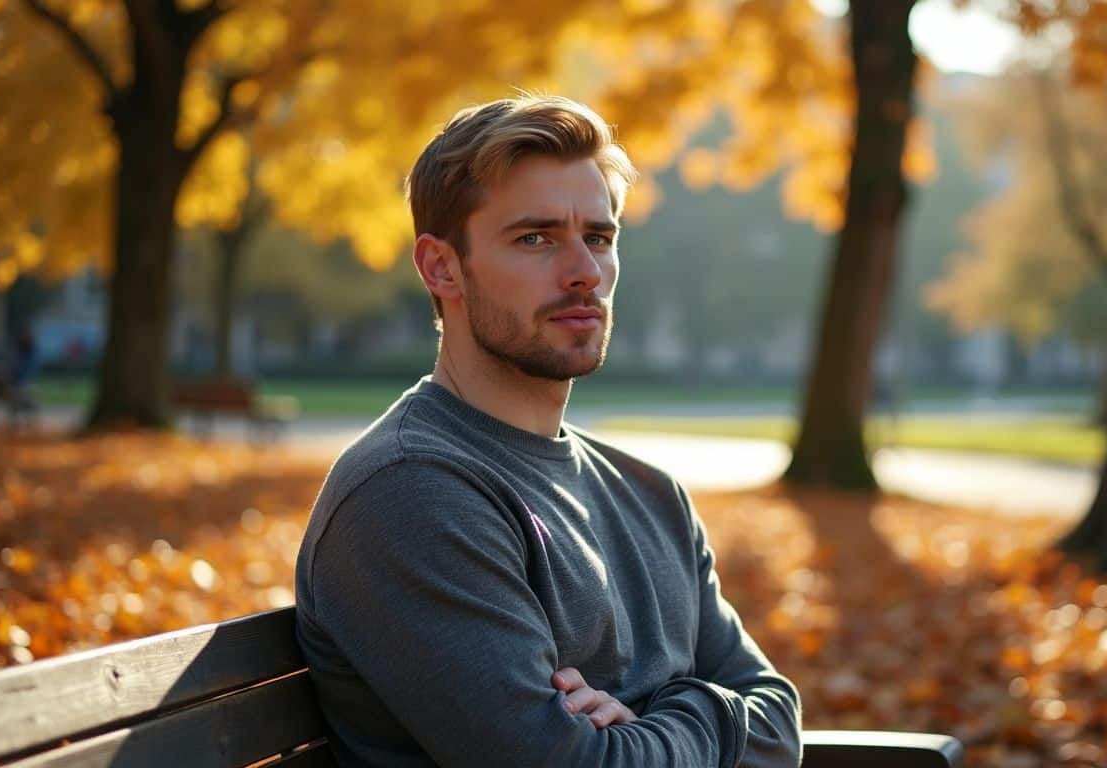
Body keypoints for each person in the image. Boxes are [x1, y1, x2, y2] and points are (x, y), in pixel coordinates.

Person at [294, 95, 802, 767]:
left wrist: (663, 721)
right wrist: (708, 715)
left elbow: (778, 717)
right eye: (535, 238)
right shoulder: (411, 495)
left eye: (598, 236)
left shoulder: (651, 495)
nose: (584, 272)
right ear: (441, 267)